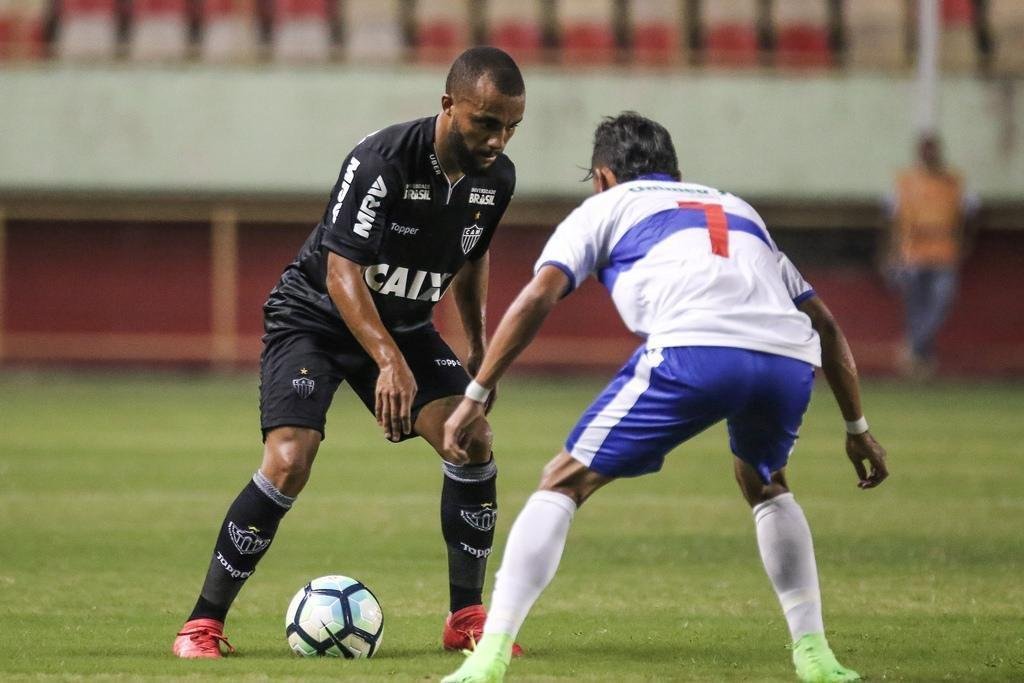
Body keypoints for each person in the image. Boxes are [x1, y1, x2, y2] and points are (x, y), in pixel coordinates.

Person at [440, 112, 889, 683]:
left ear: (603, 176)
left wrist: (476, 392)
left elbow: (536, 298)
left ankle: (489, 657)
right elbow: (824, 324)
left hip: (694, 352)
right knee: (766, 483)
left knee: (562, 481)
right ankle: (816, 656)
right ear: (675, 171)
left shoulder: (604, 208)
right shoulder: (738, 208)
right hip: (786, 360)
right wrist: (857, 429)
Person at [172, 46, 526, 658]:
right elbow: (341, 273)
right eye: (486, 122)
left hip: (404, 324)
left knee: (471, 438)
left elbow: (472, 255)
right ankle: (202, 625)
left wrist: (476, 344)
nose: (498, 140)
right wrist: (388, 361)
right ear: (448, 106)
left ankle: (466, 618)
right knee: (289, 458)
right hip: (315, 317)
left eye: (511, 127)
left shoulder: (497, 179)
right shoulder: (382, 161)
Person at [885, 133, 978, 378]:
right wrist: (890, 253)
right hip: (911, 255)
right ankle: (921, 359)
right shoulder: (906, 182)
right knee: (915, 308)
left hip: (944, 253)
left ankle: (913, 348)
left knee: (941, 303)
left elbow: (971, 212)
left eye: (932, 149)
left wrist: (965, 242)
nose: (929, 155)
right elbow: (892, 218)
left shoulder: (952, 182)